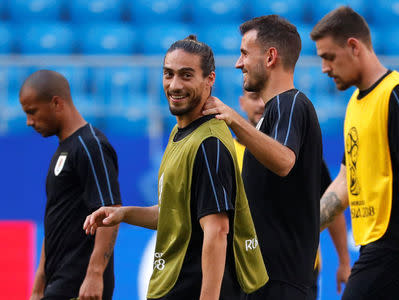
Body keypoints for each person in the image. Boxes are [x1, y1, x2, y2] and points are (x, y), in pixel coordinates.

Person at [84, 35, 268, 300]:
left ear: (210, 80)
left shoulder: (209, 144)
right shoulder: (181, 132)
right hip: (173, 285)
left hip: (191, 289)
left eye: (186, 75)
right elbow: (175, 213)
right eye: (168, 74)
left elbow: (217, 231)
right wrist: (123, 213)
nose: (174, 85)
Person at [310, 6, 399, 300]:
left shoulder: (396, 93)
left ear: (353, 46)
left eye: (329, 57)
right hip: (377, 244)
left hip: (397, 243)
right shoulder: (356, 103)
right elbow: (346, 182)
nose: (324, 68)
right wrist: (304, 227)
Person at [203, 15, 323, 299]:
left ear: (270, 57)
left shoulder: (290, 103)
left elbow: (284, 161)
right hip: (264, 281)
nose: (238, 63)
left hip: (280, 283)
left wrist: (234, 120)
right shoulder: (272, 114)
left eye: (244, 53)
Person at [236, 90, 351, 298]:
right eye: (254, 98)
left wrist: (344, 260)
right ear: (242, 103)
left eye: (264, 98)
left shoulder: (297, 149)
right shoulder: (227, 152)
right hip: (247, 266)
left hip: (299, 267)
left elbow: (331, 199)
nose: (261, 105)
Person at [19, 70, 122, 300]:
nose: (29, 122)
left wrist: (95, 274)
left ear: (56, 103)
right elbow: (55, 221)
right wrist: (39, 284)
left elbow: (111, 213)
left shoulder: (91, 146)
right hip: (59, 283)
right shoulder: (63, 149)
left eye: (32, 112)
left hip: (80, 285)